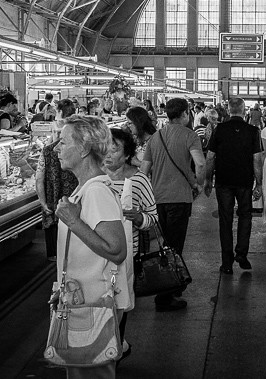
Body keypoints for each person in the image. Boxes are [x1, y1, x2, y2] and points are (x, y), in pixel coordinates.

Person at [54, 115, 129, 379]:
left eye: (63, 142)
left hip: (93, 305)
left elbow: (117, 250)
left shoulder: (96, 192)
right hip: (81, 299)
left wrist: (73, 221)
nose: (56, 148)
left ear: (84, 148)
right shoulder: (86, 189)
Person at [139, 97, 206, 312]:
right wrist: (199, 183)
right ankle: (166, 295)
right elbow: (200, 163)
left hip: (158, 199)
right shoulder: (190, 135)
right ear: (185, 113)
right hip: (179, 198)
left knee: (165, 244)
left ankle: (172, 285)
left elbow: (144, 170)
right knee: (174, 247)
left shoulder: (156, 137)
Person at [106, 127, 157, 363]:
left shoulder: (138, 180)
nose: (108, 153)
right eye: (105, 147)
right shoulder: (96, 178)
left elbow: (153, 217)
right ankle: (111, 346)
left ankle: (114, 349)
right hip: (98, 253)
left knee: (118, 302)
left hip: (126, 255)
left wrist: (139, 218)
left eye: (114, 149)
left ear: (127, 154)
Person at [205, 97, 264, 274]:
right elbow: (257, 159)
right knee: (245, 216)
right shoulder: (253, 131)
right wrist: (259, 183)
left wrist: (208, 179)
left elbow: (210, 157)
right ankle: (241, 254)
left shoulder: (219, 129)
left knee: (225, 219)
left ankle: (226, 263)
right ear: (244, 110)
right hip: (244, 181)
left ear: (229, 110)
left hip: (223, 181)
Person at [36, 99, 80, 259]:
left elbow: (39, 179)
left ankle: (54, 256)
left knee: (54, 228)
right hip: (74, 199)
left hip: (53, 198)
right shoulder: (78, 145)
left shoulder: (47, 151)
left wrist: (43, 202)